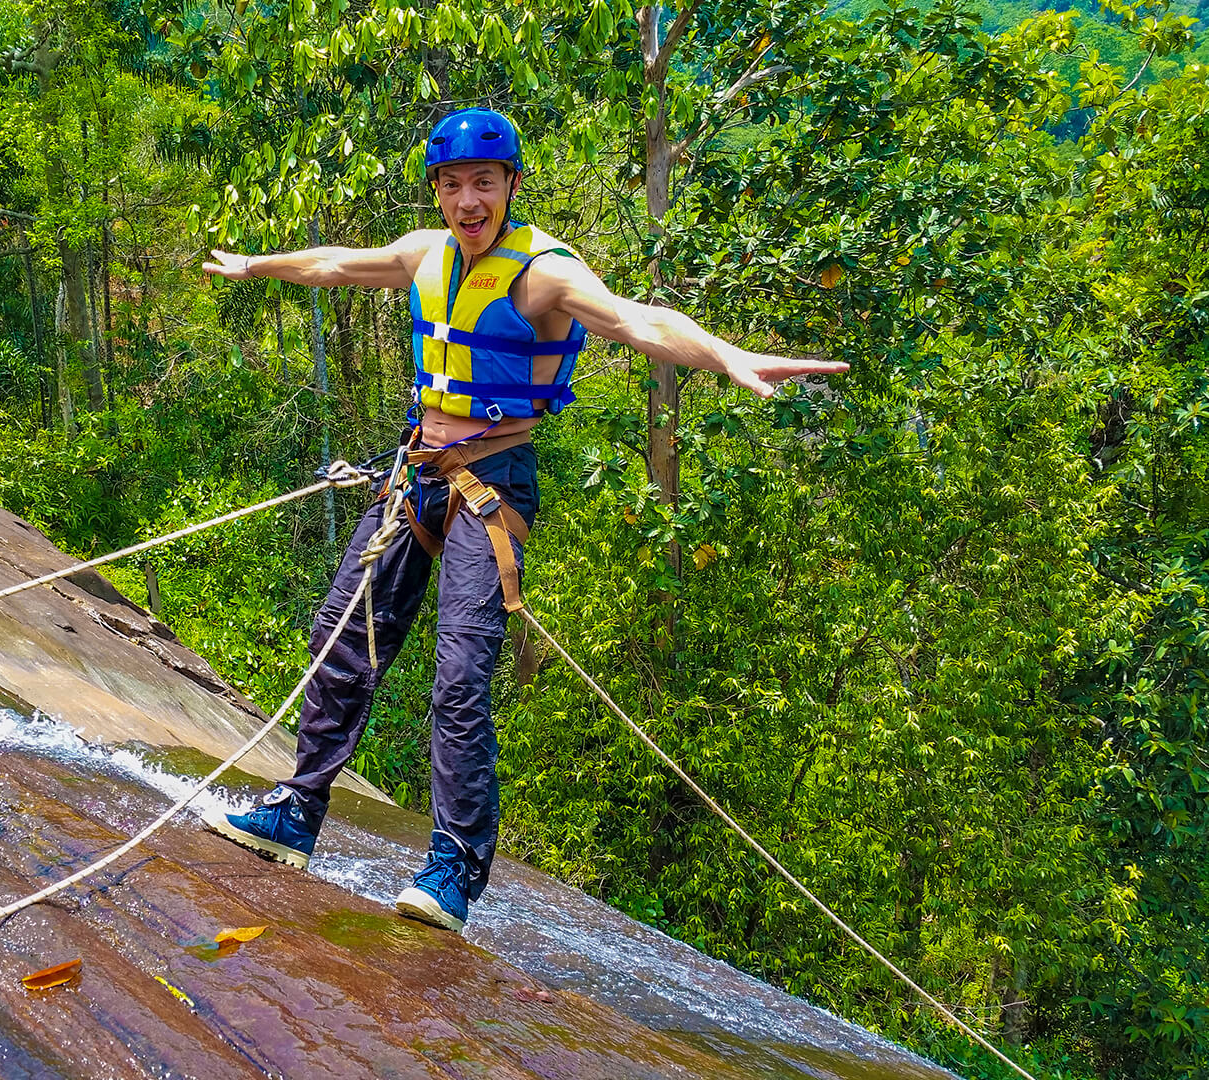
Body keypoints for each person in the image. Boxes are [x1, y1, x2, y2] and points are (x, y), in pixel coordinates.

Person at [199, 108, 846, 932]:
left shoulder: (542, 275)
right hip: (417, 469)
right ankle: (295, 813)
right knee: (344, 636)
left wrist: (727, 356)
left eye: (484, 183)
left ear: (509, 186)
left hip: (490, 482)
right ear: (437, 191)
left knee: (460, 675)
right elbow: (334, 264)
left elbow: (637, 319)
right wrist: (258, 265)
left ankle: (453, 870)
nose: (469, 201)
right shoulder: (426, 255)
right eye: (453, 185)